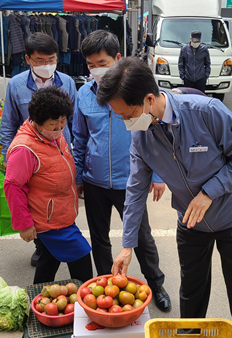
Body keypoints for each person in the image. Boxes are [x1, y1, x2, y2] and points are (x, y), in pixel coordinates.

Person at [97, 57, 232, 338]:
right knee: (191, 293)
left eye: (127, 114)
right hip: (190, 222)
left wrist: (209, 192)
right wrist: (127, 245)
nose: (125, 123)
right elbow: (135, 190)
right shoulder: (142, 136)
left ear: (149, 99)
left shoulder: (206, 111)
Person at [73, 30, 171, 312]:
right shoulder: (84, 95)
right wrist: (79, 177)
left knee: (141, 238)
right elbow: (79, 139)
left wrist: (157, 175)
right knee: (99, 239)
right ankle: (107, 284)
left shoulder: (135, 93)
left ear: (117, 59)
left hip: (131, 182)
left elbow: (155, 134)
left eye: (102, 63)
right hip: (95, 182)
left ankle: (156, 283)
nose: (96, 70)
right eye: (91, 65)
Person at [0, 32, 77, 267]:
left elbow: (73, 124)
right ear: (28, 59)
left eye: (51, 60)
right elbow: (9, 123)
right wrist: (7, 155)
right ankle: (42, 246)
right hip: (31, 158)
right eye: (40, 61)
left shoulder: (68, 83)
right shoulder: (15, 85)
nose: (46, 65)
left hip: (60, 154)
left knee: (60, 200)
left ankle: (56, 246)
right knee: (36, 203)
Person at [4, 86, 93, 284]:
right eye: (53, 124)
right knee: (81, 258)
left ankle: (36, 302)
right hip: (49, 222)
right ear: (37, 120)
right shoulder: (24, 149)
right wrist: (24, 225)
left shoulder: (52, 135)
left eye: (63, 122)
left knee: (48, 260)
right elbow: (12, 186)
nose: (59, 129)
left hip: (60, 215)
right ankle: (87, 304)